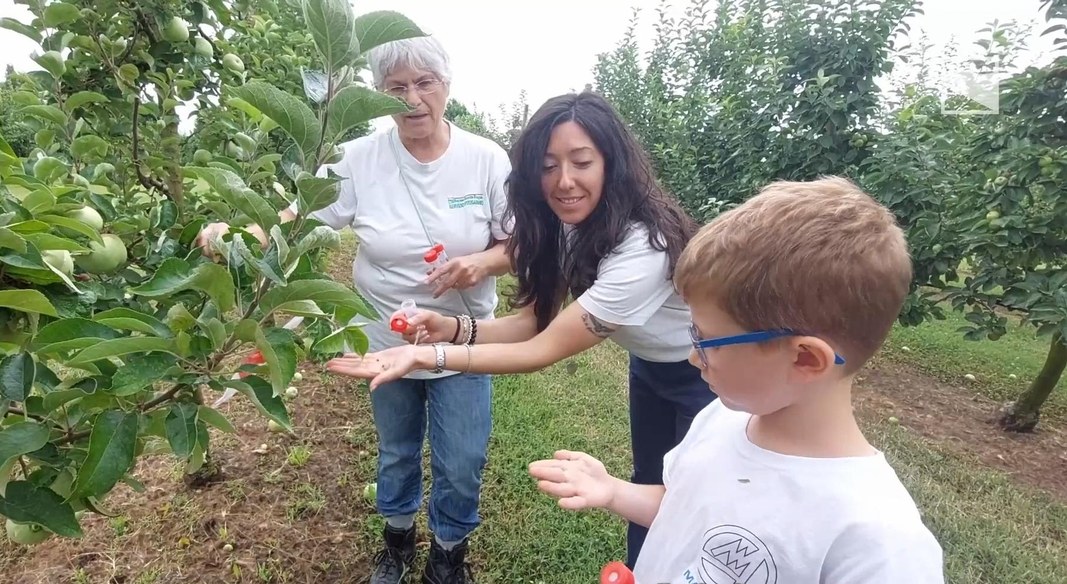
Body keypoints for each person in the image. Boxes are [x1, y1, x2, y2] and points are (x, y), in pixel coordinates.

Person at [325, 91, 718, 567]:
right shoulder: (562, 225)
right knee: (650, 483)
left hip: (707, 374)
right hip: (649, 368)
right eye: (548, 166)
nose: (564, 181)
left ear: (611, 164)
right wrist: (448, 327)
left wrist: (428, 356)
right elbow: (529, 323)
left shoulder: (642, 249)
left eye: (581, 162)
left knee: (696, 501)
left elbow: (542, 349)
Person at [196, 36, 512, 584]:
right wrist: (239, 235)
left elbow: (519, 243)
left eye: (424, 83)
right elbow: (301, 218)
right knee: (396, 450)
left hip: (463, 340)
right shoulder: (359, 160)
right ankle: (396, 543)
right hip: (385, 342)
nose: (412, 99)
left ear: (447, 87)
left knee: (462, 460)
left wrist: (482, 263)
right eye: (395, 88)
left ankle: (448, 552)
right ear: (378, 96)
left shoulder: (485, 159)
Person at [526, 176, 946, 582]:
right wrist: (613, 491)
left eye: (708, 341)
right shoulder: (718, 421)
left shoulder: (877, 542)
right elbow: (682, 512)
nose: (693, 356)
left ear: (804, 359)